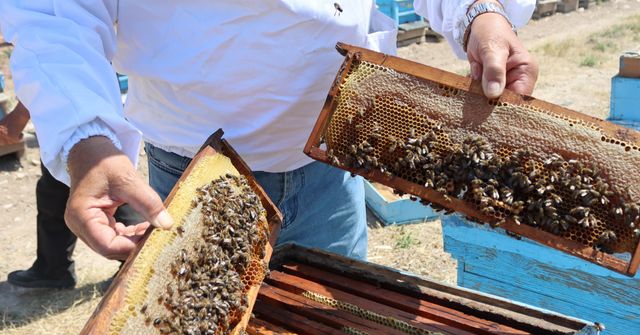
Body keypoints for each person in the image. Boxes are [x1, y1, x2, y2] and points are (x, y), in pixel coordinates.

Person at [0, 0, 538, 262]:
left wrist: (481, 12)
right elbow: (53, 14)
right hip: (192, 176)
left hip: (334, 161)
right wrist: (86, 140)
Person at [0, 101, 141, 288]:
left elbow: (52, 73)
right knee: (55, 190)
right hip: (65, 114)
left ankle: (140, 262)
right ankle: (53, 268)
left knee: (107, 189)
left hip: (78, 112)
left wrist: (19, 115)